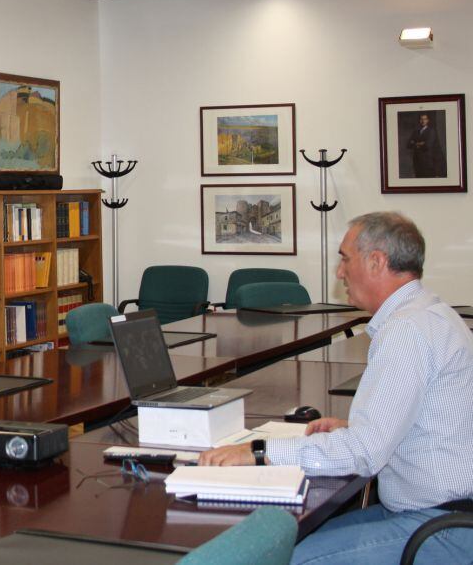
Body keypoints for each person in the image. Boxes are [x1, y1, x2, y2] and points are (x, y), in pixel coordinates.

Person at [200, 212, 473, 564]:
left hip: (441, 527)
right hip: (437, 513)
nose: (340, 272)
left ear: (376, 261)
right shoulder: (431, 313)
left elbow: (364, 452)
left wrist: (258, 451)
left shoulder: (407, 331)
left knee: (284, 558)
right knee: (291, 538)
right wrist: (355, 427)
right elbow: (422, 419)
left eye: (345, 258)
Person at [406, 112, 446, 178]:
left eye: (425, 119)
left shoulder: (431, 131)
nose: (423, 121)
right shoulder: (416, 131)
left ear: (428, 120)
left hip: (427, 161)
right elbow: (408, 145)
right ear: (419, 120)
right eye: (421, 119)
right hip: (417, 161)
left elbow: (427, 146)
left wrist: (415, 143)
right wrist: (420, 143)